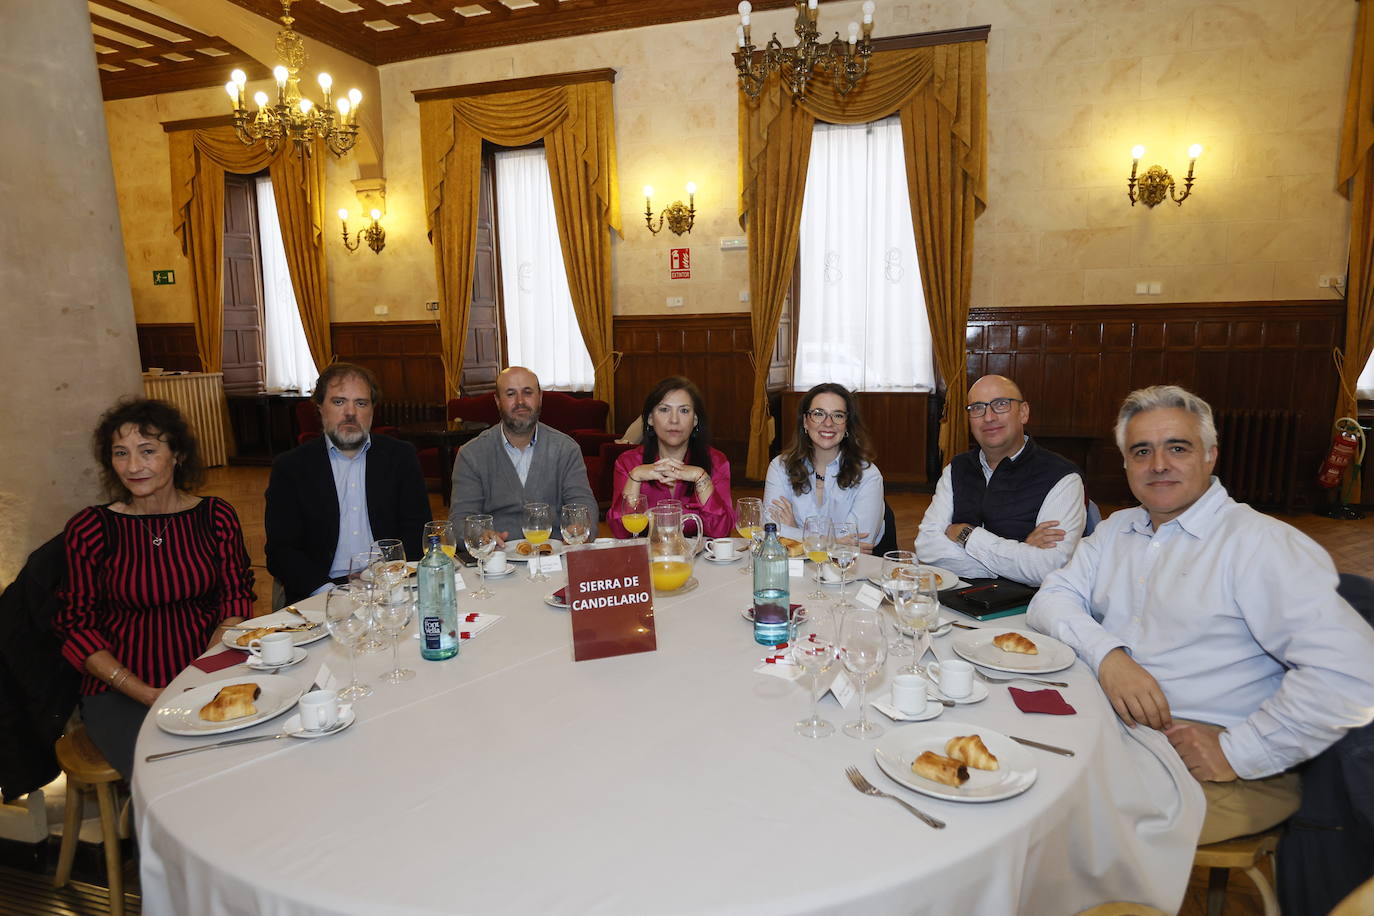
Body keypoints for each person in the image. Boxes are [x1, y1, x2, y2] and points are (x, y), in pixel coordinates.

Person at [1028, 385, 1374, 844]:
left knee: (1048, 836)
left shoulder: (1257, 544)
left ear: (1210, 456)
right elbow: (1050, 598)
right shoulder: (1118, 530)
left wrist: (1238, 751)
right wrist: (1110, 657)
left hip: (1211, 760)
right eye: (1141, 451)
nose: (1158, 465)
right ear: (1126, 464)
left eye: (1177, 448)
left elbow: (1353, 673)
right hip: (1112, 733)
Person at [55, 398, 256, 778]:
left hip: (207, 673)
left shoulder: (215, 516)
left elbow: (236, 597)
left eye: (147, 451)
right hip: (121, 690)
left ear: (176, 454)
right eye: (121, 453)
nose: (133, 466)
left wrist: (199, 673)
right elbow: (76, 628)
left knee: (242, 766)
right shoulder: (91, 528)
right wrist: (145, 692)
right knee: (169, 777)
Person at [266, 362, 431, 605]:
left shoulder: (400, 457)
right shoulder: (291, 468)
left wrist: (389, 580)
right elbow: (281, 551)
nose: (350, 412)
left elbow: (417, 530)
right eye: (339, 402)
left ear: (372, 410)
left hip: (389, 587)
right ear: (320, 408)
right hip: (321, 593)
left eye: (361, 403)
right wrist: (329, 593)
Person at [915, 374, 1085, 585]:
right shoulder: (956, 469)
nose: (988, 417)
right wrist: (1018, 555)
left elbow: (1047, 568)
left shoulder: (1062, 477)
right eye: (977, 408)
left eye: (1001, 404)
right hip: (955, 600)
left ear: (1023, 412)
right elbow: (926, 547)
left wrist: (966, 535)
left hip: (1023, 610)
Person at [447, 366, 597, 542]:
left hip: (555, 557)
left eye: (527, 392)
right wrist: (479, 536)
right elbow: (460, 520)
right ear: (497, 400)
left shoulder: (566, 449)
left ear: (540, 397)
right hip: (496, 561)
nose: (520, 402)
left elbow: (584, 508)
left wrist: (580, 529)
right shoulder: (471, 454)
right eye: (510, 394)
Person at [607, 376, 735, 539]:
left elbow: (721, 531)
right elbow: (621, 532)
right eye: (664, 410)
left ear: (695, 420)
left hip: (697, 560)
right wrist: (635, 477)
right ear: (650, 419)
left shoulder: (716, 462)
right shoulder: (628, 463)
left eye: (684, 411)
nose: (674, 420)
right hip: (647, 559)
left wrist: (701, 477)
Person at [763, 383, 883, 549]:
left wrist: (795, 531)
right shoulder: (780, 468)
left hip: (846, 573)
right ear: (805, 421)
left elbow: (861, 543)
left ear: (847, 424)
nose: (828, 423)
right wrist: (834, 542)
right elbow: (770, 531)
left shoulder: (868, 475)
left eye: (838, 415)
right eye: (818, 414)